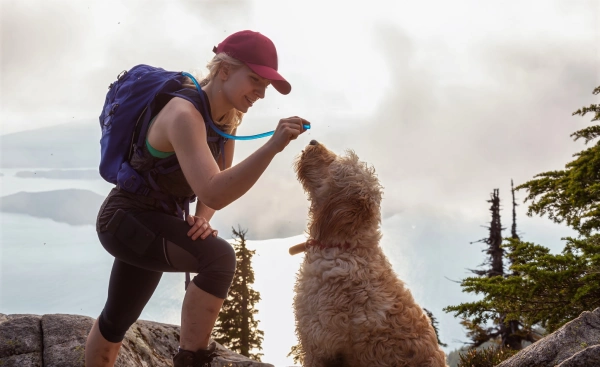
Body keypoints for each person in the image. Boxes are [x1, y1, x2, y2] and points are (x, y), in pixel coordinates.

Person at [85, 30, 310, 367]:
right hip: (126, 219)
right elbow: (214, 189)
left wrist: (203, 217)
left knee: (117, 319)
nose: (261, 94)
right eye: (255, 80)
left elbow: (218, 183)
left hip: (157, 220)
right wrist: (273, 145)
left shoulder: (227, 120)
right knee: (219, 260)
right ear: (224, 71)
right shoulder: (183, 115)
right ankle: (192, 360)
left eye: (266, 86)